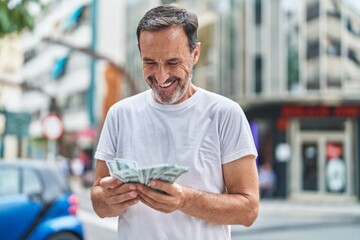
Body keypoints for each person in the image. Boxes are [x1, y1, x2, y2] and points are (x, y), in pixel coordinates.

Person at [91, 5, 259, 240]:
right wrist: (111, 200)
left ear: (195, 54)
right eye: (150, 62)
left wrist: (184, 199)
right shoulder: (120, 114)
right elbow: (98, 202)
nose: (161, 76)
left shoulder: (225, 114)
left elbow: (248, 209)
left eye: (172, 62)